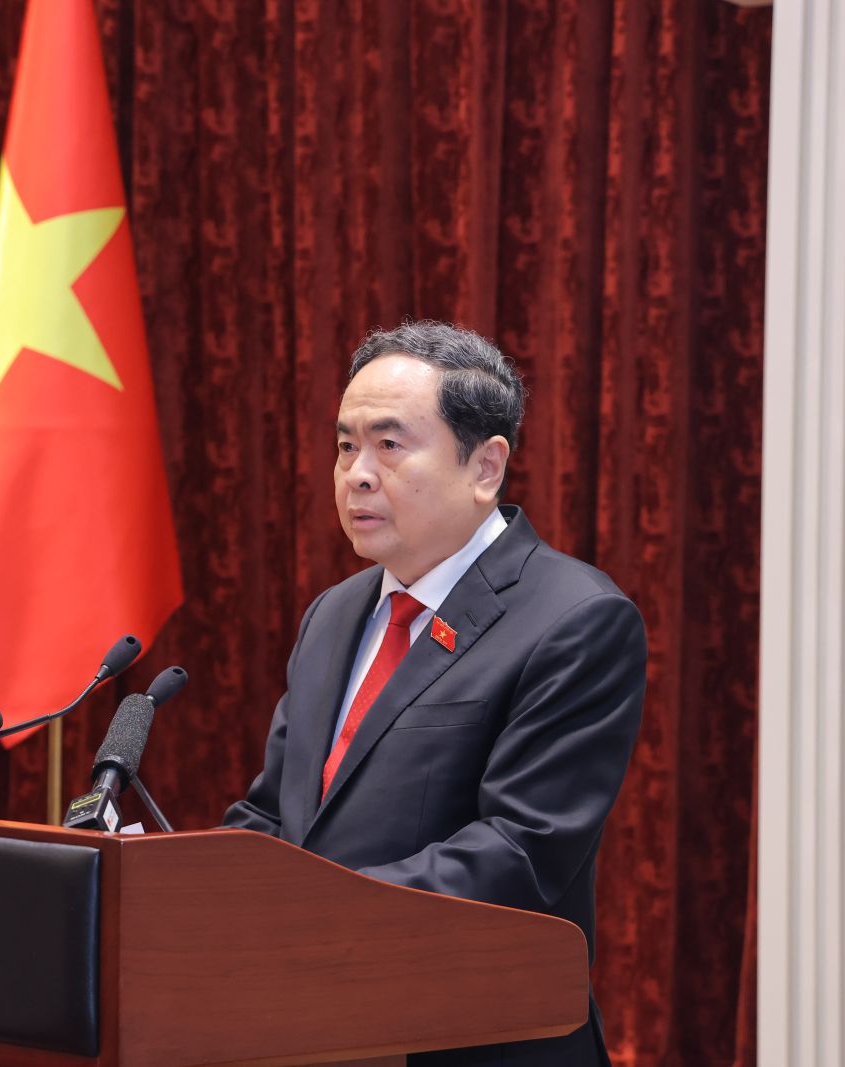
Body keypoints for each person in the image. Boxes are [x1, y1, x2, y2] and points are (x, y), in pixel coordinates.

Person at [224, 321, 645, 1066]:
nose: (356, 474)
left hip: (471, 1036)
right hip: (321, 1029)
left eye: (389, 444)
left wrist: (312, 915)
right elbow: (276, 813)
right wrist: (191, 888)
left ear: (485, 466)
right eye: (345, 446)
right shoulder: (334, 614)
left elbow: (520, 849)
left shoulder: (574, 618)